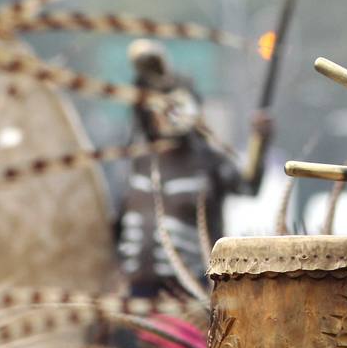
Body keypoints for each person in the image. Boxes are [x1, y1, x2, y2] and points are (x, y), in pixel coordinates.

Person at [115, 39, 270, 299]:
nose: (166, 115)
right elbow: (117, 227)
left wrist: (260, 141)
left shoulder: (206, 161)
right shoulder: (136, 162)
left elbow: (248, 185)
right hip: (137, 297)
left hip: (189, 296)